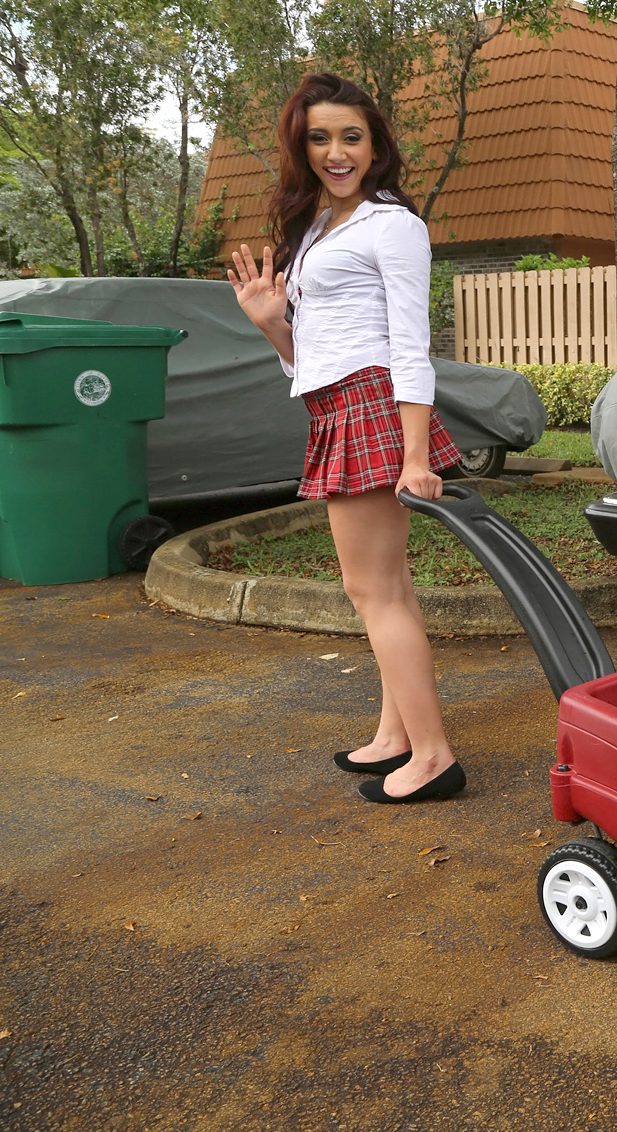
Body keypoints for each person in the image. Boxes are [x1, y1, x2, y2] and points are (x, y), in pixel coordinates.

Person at [227, 73, 466, 804]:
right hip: (337, 404)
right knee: (389, 587)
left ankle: (433, 758)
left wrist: (416, 457)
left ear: (375, 145)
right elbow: (314, 357)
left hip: (373, 405)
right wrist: (272, 323)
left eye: (351, 137)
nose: (337, 152)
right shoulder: (318, 229)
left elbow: (409, 345)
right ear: (302, 148)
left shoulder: (391, 224)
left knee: (371, 592)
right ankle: (397, 736)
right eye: (320, 138)